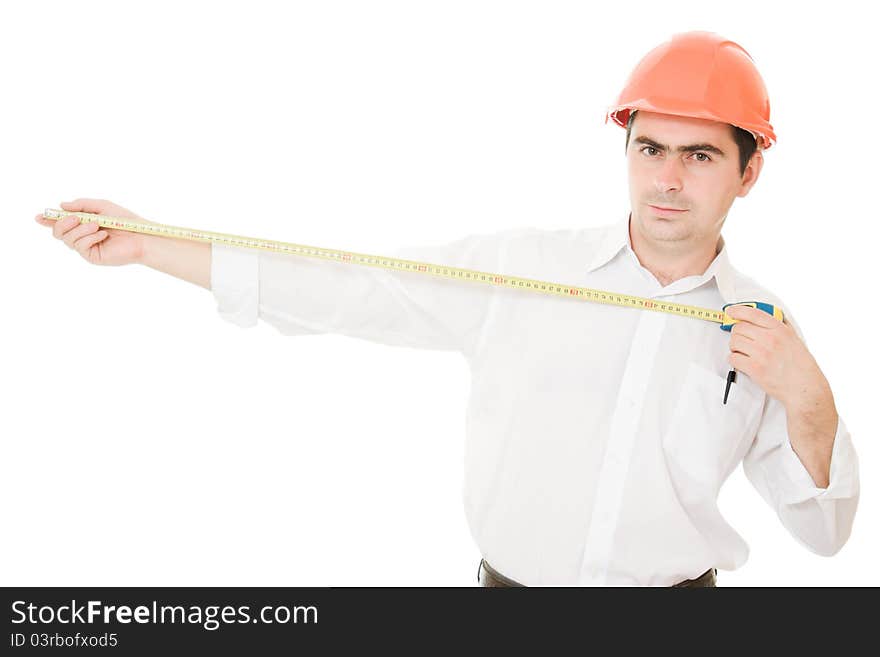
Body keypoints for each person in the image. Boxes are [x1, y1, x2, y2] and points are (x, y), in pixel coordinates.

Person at [34, 30, 859, 587]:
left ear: (748, 172)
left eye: (700, 154)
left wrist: (809, 397)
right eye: (650, 148)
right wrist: (151, 247)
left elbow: (826, 538)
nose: (668, 179)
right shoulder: (524, 269)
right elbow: (349, 289)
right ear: (627, 149)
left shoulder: (765, 328)